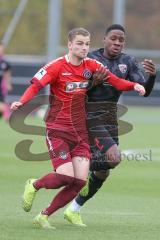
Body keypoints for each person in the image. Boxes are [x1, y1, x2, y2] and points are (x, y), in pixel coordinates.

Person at [11, 27, 145, 230]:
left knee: (79, 182)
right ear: (70, 45)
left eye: (87, 44)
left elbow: (115, 81)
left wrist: (133, 86)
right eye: (80, 43)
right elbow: (36, 85)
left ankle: (44, 215)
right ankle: (34, 184)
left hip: (80, 131)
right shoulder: (56, 66)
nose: (84, 47)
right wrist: (21, 102)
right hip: (57, 129)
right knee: (65, 177)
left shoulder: (91, 65)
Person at [64, 24, 156, 226]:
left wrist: (152, 77)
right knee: (113, 158)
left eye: (121, 40)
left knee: (103, 171)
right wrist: (91, 84)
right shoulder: (90, 60)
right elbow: (72, 89)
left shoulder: (128, 62)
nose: (117, 43)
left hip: (109, 117)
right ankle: (72, 169)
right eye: (113, 38)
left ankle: (73, 209)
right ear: (104, 40)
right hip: (87, 114)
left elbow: (144, 91)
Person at [0, 43, 12, 120]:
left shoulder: (4, 63)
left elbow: (7, 74)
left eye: (1, 49)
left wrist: (8, 84)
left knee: (2, 108)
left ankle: (6, 114)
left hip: (0, 88)